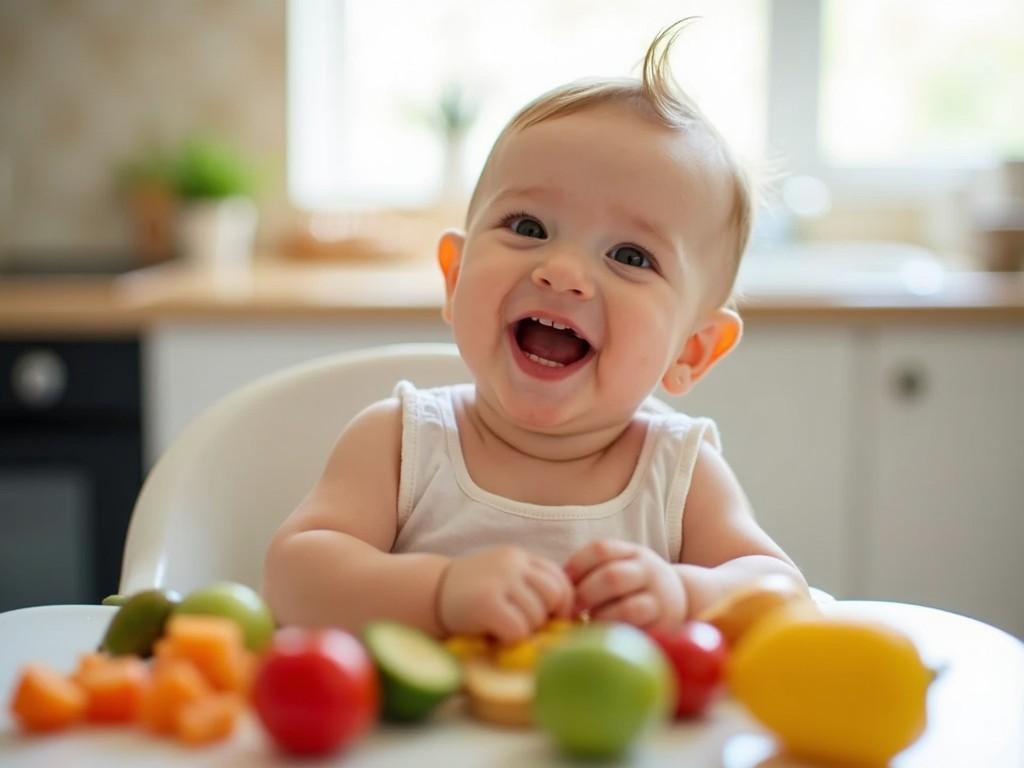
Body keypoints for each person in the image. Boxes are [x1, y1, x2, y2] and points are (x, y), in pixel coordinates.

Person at [263, 21, 807, 643]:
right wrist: (439, 592)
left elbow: (783, 591)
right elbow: (292, 577)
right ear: (455, 276)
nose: (563, 273)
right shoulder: (401, 444)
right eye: (528, 226)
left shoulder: (677, 473)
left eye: (631, 257)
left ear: (691, 351)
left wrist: (686, 592)